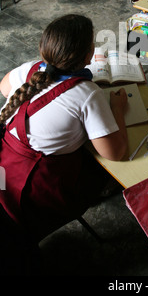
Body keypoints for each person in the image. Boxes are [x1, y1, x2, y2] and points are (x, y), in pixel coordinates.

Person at [0, 14, 129, 241]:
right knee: (101, 169)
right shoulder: (87, 94)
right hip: (35, 194)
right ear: (88, 55)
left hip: (5, 164)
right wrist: (117, 108)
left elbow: (4, 87)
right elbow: (115, 153)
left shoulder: (31, 70)